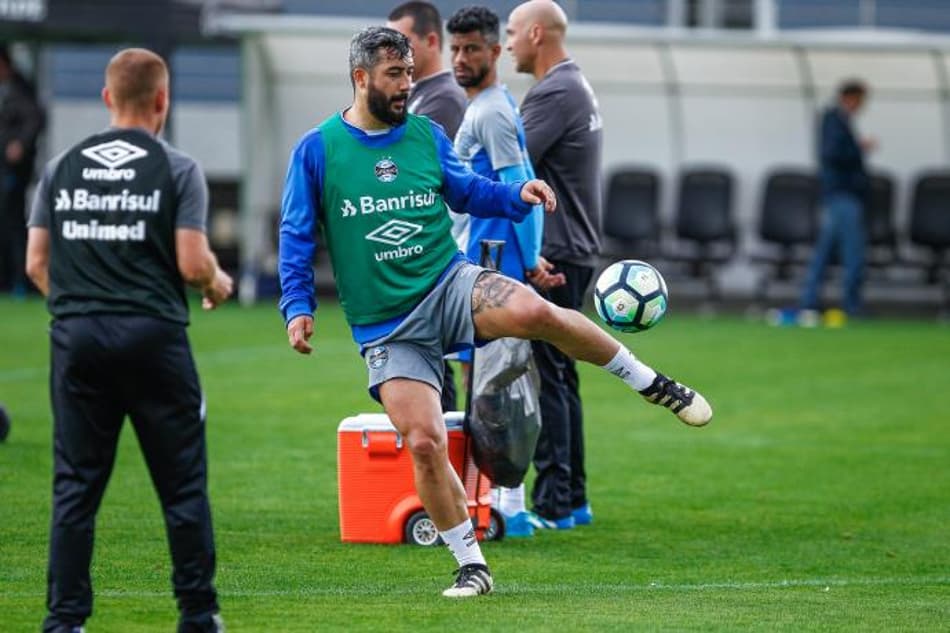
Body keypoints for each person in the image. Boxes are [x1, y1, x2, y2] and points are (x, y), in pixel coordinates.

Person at [279, 26, 711, 599]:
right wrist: (297, 306)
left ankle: (652, 383)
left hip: (448, 283)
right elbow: (296, 233)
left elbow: (466, 192)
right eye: (394, 75)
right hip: (387, 326)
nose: (407, 84)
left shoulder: (427, 134)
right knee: (427, 441)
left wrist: (516, 195)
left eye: (410, 72)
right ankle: (470, 565)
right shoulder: (318, 148)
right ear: (361, 78)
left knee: (539, 311)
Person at [26, 48, 232, 633]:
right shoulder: (177, 168)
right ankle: (197, 614)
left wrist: (80, 311)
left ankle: (65, 621)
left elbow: (36, 262)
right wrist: (217, 281)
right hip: (153, 338)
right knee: (182, 485)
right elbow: (191, 260)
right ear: (162, 100)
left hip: (77, 337)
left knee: (75, 487)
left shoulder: (61, 165)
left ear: (107, 97)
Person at [446, 5, 563, 539]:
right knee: (503, 382)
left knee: (493, 386)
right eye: (455, 48)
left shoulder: (490, 111)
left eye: (472, 48)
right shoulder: (489, 106)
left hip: (491, 261)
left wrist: (531, 258)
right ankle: (503, 502)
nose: (461, 58)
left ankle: (501, 506)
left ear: (494, 52)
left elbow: (523, 186)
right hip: (491, 256)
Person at [505, 0, 604, 530]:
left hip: (556, 254)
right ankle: (575, 498)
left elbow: (512, 168)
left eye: (513, 32)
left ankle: (554, 503)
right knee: (562, 375)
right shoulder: (576, 85)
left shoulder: (553, 93)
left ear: (537, 34)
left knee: (549, 377)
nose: (507, 43)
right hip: (576, 249)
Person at [387, 1, 468, 412]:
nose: (394, 54)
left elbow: (420, 179)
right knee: (423, 368)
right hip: (413, 255)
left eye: (404, 43)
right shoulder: (417, 97)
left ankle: (455, 468)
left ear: (432, 41)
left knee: (433, 370)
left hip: (434, 254)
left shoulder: (445, 100)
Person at [800, 79, 874, 317]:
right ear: (849, 98)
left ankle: (809, 301)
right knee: (852, 251)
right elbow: (832, 154)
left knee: (825, 251)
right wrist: (858, 149)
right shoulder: (834, 120)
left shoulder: (836, 120)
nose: (862, 106)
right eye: (860, 100)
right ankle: (851, 305)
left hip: (838, 195)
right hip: (842, 195)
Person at [0, 44, 44, 297]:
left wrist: (20, 144)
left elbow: (36, 118)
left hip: (13, 171)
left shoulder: (21, 89)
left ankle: (20, 281)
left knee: (14, 223)